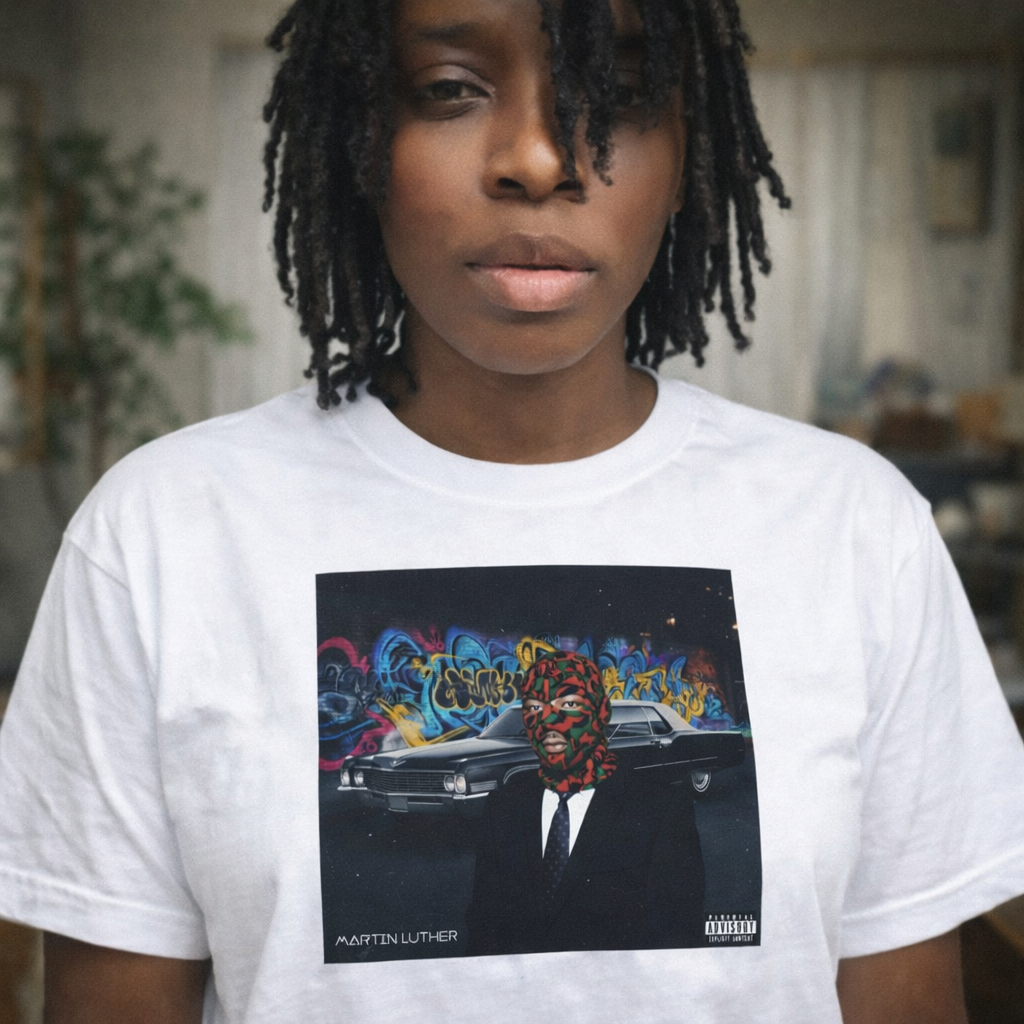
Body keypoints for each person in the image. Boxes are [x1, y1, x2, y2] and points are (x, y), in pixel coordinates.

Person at [0, 0, 1023, 1021]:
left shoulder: (854, 527)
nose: (539, 159)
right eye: (450, 89)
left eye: (616, 94)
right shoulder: (164, 533)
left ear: (684, 153)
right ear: (359, 138)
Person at [465, 651, 706, 956]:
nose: (548, 722)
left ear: (600, 713)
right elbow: (483, 926)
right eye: (535, 707)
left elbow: (678, 935)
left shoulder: (659, 808)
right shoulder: (502, 807)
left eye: (568, 705)